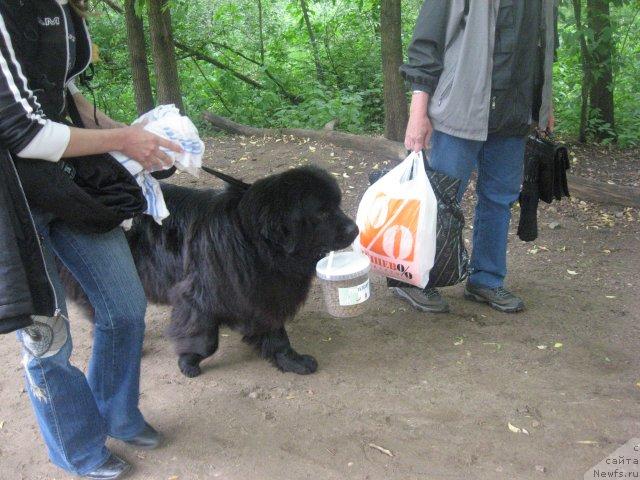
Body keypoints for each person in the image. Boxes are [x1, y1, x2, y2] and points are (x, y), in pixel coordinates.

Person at [0, 0, 182, 478]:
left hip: (68, 184)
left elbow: (63, 97)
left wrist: (139, 136)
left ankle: (116, 413)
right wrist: (123, 142)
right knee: (48, 337)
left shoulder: (63, 7)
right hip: (11, 201)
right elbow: (24, 132)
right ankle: (79, 450)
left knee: (124, 307)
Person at [392, 0, 558, 314]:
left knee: (500, 198)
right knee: (440, 198)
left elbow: (544, 46)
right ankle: (413, 280)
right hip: (460, 108)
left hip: (513, 113)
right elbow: (427, 42)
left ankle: (486, 279)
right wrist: (418, 113)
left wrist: (544, 104)